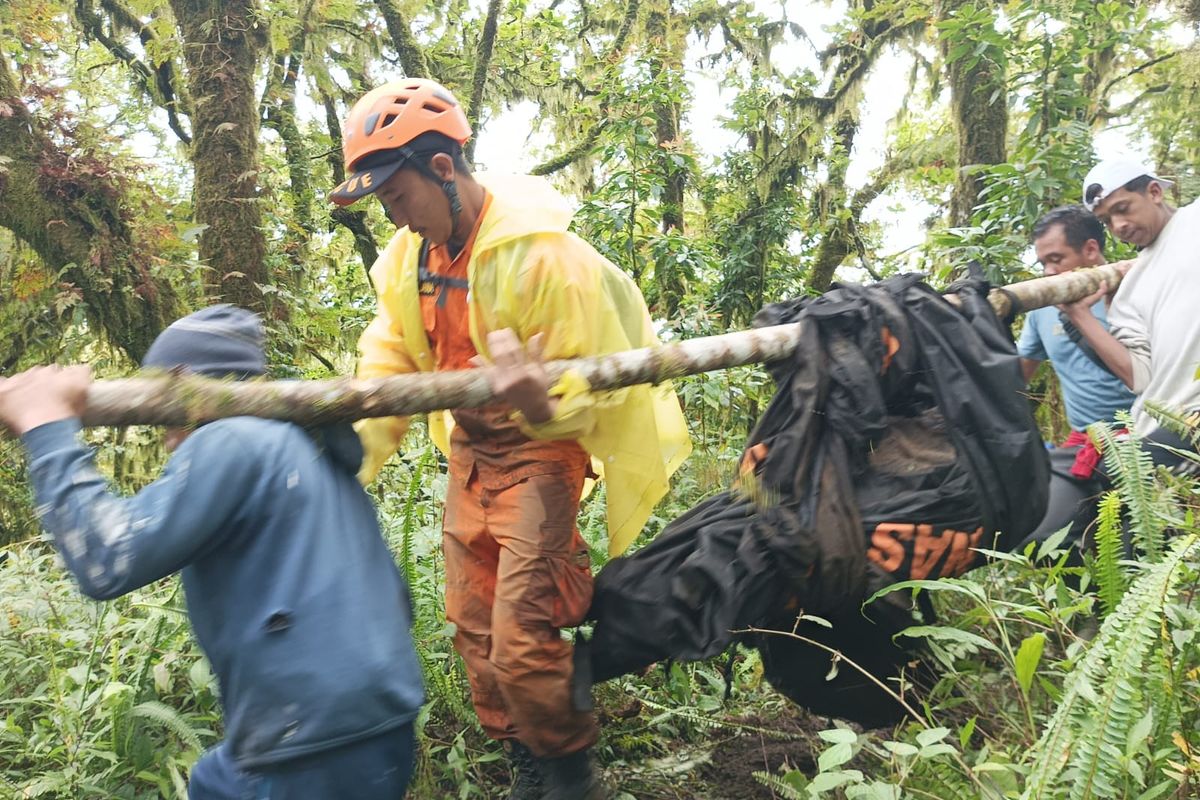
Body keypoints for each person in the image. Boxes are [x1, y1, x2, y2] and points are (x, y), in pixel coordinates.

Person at [330, 78, 691, 800]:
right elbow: (391, 359)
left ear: (441, 169)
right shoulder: (411, 261)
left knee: (524, 630)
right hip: (470, 454)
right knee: (473, 628)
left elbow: (586, 390)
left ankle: (568, 771)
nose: (395, 218)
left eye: (397, 197)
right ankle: (524, 756)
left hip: (544, 453)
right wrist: (354, 452)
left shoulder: (544, 259)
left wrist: (542, 403)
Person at [0, 306, 425, 800]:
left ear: (190, 395)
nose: (163, 436)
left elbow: (106, 558)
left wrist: (46, 427)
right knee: (213, 783)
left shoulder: (232, 440)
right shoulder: (308, 445)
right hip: (378, 721)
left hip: (311, 739)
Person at [1063, 157, 1199, 469]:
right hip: (1160, 427)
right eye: (1107, 220)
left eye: (1122, 209)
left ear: (1154, 192)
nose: (1118, 226)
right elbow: (1140, 377)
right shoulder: (1128, 287)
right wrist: (1079, 316)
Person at [1016, 205, 1137, 549]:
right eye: (1043, 263)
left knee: (1128, 546)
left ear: (1090, 250)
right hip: (1085, 442)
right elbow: (1016, 380)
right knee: (1042, 540)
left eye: (1057, 259)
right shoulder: (1042, 309)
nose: (1049, 272)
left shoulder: (1136, 293)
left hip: (1147, 437)